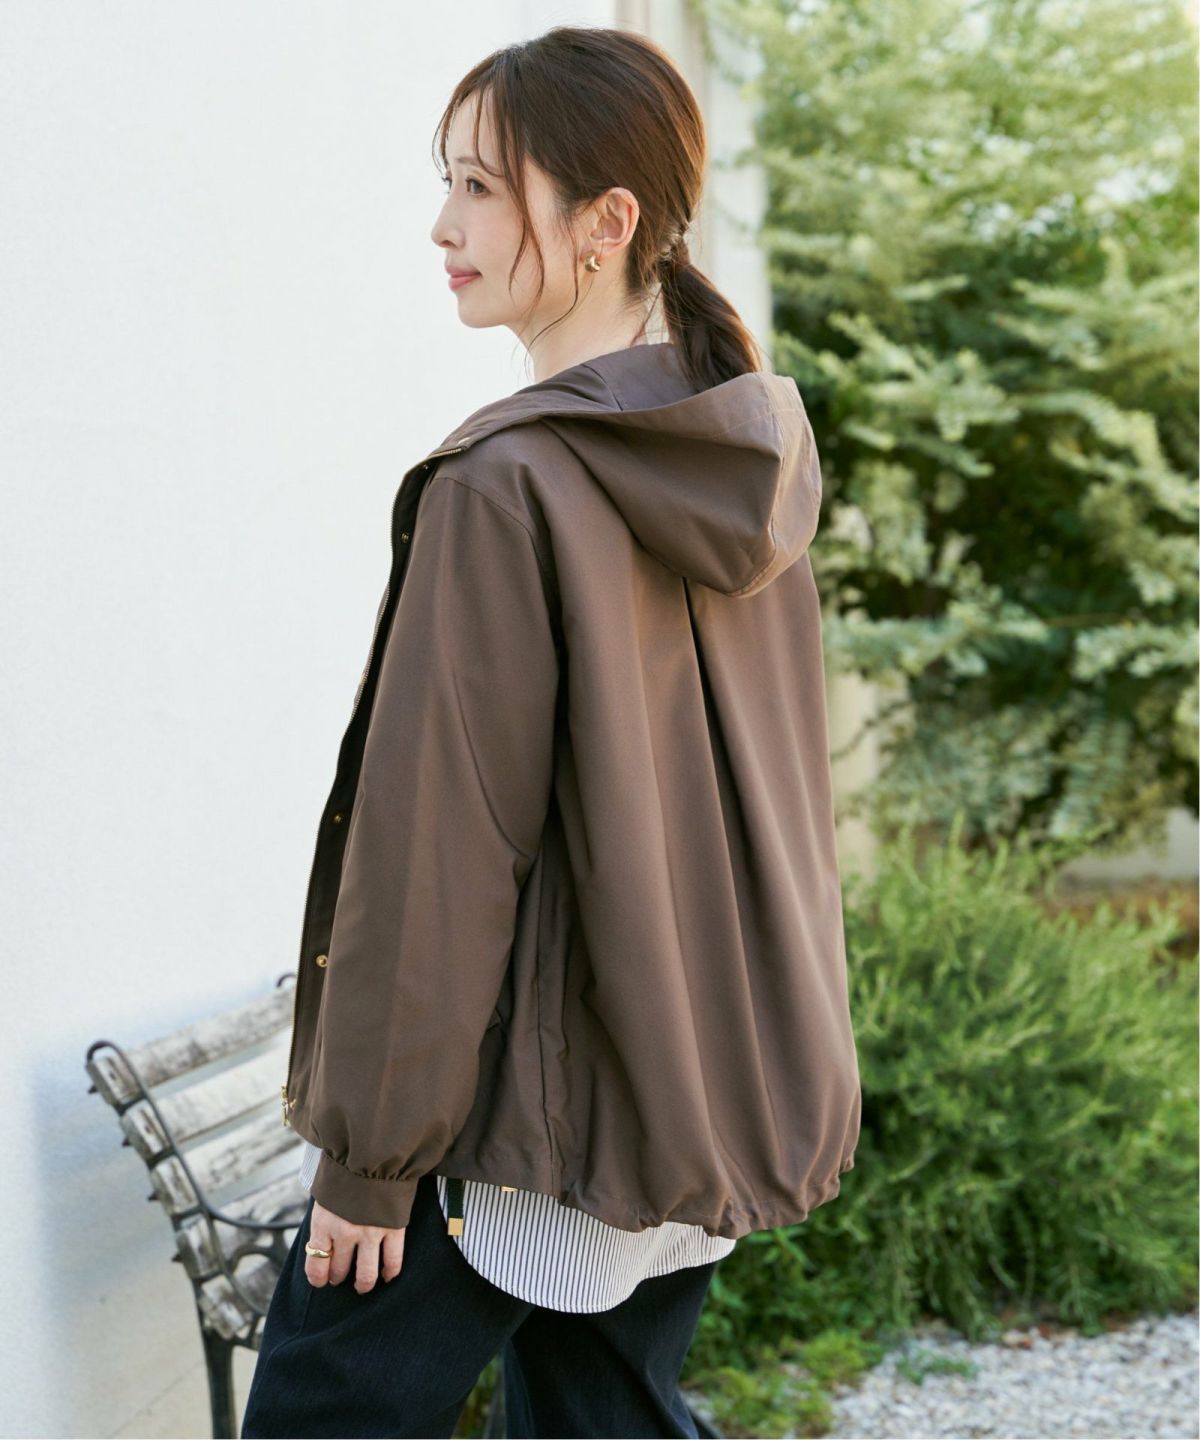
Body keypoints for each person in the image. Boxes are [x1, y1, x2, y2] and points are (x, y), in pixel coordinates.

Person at [241, 22, 861, 1440]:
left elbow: (438, 853)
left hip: (510, 1109)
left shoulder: (507, 485)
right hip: (682, 1085)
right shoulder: (738, 460)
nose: (442, 227)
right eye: (447, 184)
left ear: (606, 222)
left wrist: (369, 1164)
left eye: (479, 188)